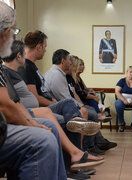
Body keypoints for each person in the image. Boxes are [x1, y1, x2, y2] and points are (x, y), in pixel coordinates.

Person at [0, 2, 67, 179]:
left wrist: (31, 122)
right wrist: (30, 124)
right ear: (6, 32)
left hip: (6, 122)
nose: (15, 38)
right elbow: (7, 106)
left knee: (48, 126)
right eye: (14, 31)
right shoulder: (17, 69)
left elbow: (13, 102)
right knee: (42, 141)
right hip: (3, 124)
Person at [44, 49, 117, 155]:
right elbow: (65, 99)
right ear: (63, 61)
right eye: (69, 60)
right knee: (89, 112)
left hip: (64, 105)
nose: (71, 63)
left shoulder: (60, 74)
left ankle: (93, 144)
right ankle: (85, 148)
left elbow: (69, 96)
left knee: (90, 110)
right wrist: (80, 106)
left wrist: (82, 104)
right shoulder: (56, 75)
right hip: (59, 108)